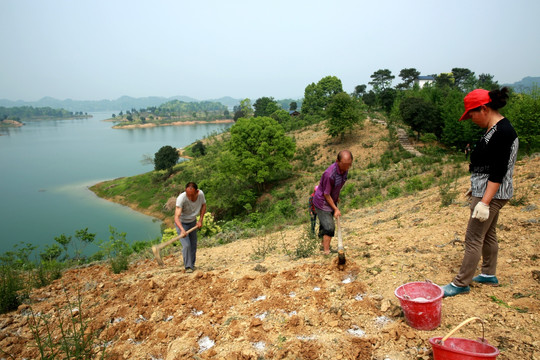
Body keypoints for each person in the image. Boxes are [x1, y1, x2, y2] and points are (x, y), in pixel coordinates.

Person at [442, 88, 519, 297]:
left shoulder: (502, 132)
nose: (471, 119)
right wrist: (475, 184)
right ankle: (488, 274)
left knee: (474, 236)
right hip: (488, 189)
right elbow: (487, 164)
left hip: (492, 193)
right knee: (489, 233)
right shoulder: (494, 129)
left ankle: (461, 283)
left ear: (484, 108)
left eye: (472, 114)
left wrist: (484, 202)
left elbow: (499, 171)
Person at [312, 150, 353, 255]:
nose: (346, 168)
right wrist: (335, 209)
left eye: (349, 165)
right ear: (337, 161)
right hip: (322, 202)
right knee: (329, 226)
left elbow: (338, 185)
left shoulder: (344, 170)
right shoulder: (329, 174)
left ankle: (323, 246)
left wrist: (336, 195)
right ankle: (326, 252)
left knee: (325, 224)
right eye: (344, 165)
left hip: (331, 199)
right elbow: (326, 194)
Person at [174, 182, 206, 273]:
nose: (190, 197)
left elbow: (203, 206)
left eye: (192, 195)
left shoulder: (201, 195)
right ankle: (188, 267)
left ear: (197, 192)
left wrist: (200, 220)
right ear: (185, 191)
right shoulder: (181, 198)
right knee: (186, 245)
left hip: (192, 222)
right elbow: (176, 217)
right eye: (188, 195)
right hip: (182, 223)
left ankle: (192, 265)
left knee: (193, 245)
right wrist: (182, 230)